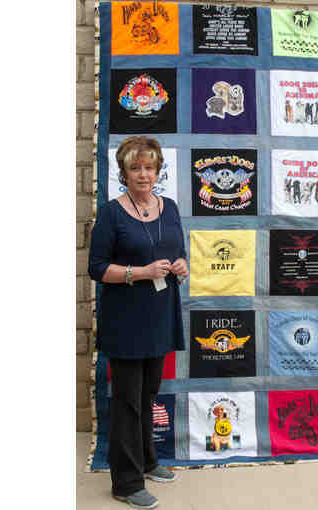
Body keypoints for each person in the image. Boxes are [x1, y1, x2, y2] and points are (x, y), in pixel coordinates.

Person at [88, 136, 188, 509]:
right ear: (124, 173)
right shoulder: (111, 214)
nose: (143, 174)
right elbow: (97, 268)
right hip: (126, 321)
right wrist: (141, 272)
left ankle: (147, 461)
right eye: (135, 168)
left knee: (147, 395)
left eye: (149, 167)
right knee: (127, 402)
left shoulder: (170, 207)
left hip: (159, 316)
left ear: (158, 170)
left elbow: (178, 251)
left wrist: (182, 265)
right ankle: (126, 484)